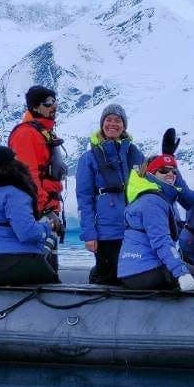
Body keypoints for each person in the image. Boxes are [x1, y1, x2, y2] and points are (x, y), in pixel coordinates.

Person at [0, 142, 61, 286]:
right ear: (9, 165)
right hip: (10, 263)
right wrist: (48, 227)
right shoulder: (14, 194)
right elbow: (27, 233)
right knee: (53, 285)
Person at [117, 154, 194, 290]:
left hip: (131, 270)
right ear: (150, 173)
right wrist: (182, 274)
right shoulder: (153, 202)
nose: (170, 174)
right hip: (145, 271)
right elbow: (161, 241)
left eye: (173, 171)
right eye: (163, 170)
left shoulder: (145, 196)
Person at [76, 103, 144, 285]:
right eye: (108, 119)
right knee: (107, 276)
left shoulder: (135, 154)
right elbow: (84, 199)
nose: (113, 124)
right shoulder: (88, 158)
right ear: (102, 124)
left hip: (132, 230)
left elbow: (148, 190)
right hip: (105, 231)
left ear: (124, 125)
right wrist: (89, 234)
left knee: (131, 275)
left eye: (118, 120)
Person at [8, 85, 68, 223]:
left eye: (54, 101)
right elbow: (27, 175)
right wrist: (42, 210)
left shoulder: (45, 133)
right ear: (34, 107)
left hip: (49, 208)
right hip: (37, 213)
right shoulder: (26, 134)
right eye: (47, 102)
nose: (53, 106)